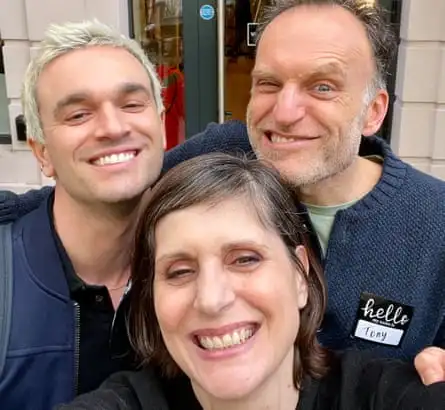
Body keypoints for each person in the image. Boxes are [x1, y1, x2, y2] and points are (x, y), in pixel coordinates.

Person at [1, 0, 445, 396]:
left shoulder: (435, 221)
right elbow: (112, 181)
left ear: (374, 110)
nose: (286, 113)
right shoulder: (220, 154)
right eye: (269, 84)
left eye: (322, 87)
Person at [57, 153, 445, 410]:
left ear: (300, 275)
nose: (211, 299)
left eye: (245, 259)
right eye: (179, 271)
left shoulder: (382, 397)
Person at [0, 19, 172, 410]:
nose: (112, 127)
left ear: (161, 128)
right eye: (78, 115)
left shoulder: (202, 269)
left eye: (131, 104)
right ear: (41, 151)